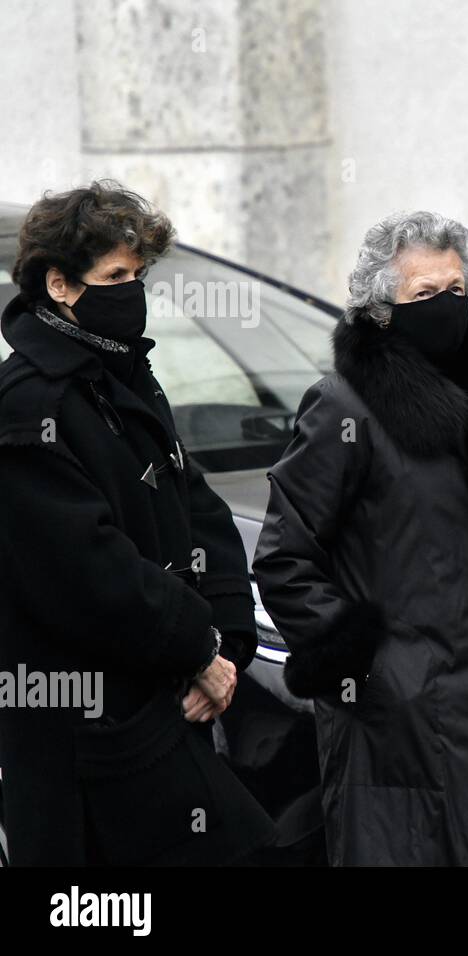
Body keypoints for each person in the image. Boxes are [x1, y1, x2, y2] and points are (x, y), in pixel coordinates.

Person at [253, 210, 468, 865]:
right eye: (425, 295)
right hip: (404, 725)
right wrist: (382, 673)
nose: (446, 308)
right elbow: (285, 560)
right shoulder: (344, 406)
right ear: (382, 309)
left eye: (456, 291)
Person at [0, 181, 273, 865]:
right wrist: (196, 649)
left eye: (138, 275)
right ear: (59, 285)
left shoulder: (121, 378)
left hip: (159, 705)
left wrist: (228, 639)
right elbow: (87, 571)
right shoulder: (31, 403)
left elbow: (197, 507)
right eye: (114, 277)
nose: (132, 291)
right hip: (90, 733)